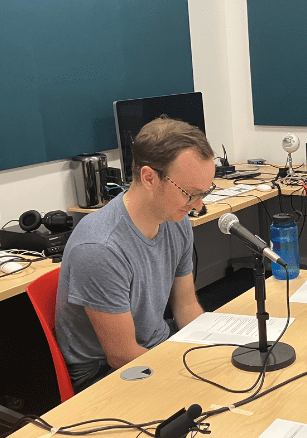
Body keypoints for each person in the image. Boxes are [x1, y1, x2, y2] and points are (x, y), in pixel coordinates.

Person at [55, 117, 214, 393]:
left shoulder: (176, 223)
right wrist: (186, 380)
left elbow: (186, 308)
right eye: (190, 194)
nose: (198, 206)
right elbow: (121, 355)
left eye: (204, 193)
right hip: (106, 376)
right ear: (149, 178)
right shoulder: (100, 247)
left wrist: (211, 349)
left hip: (156, 347)